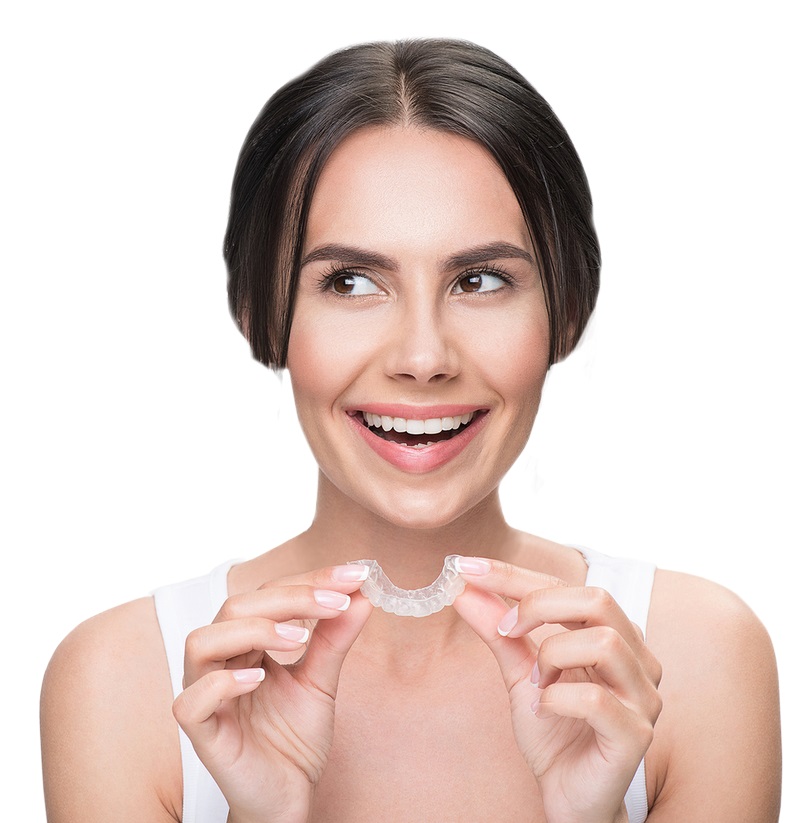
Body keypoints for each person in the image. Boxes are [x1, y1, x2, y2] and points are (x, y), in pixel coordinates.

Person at [40, 39, 781, 822]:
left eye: (479, 280)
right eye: (351, 281)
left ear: (566, 312)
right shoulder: (124, 684)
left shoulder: (696, 661)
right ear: (263, 313)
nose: (423, 358)